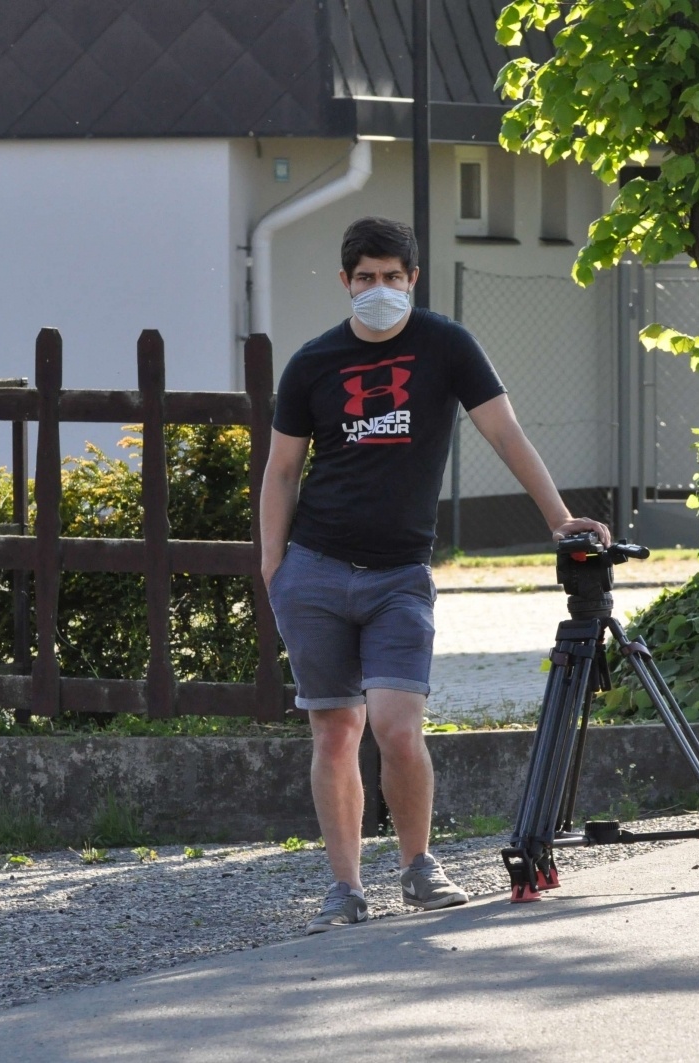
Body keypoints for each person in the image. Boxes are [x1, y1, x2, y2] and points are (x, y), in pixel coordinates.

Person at [259, 216, 612, 933]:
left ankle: (419, 865)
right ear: (345, 283)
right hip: (318, 569)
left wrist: (559, 518)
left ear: (414, 279)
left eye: (393, 276)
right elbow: (283, 469)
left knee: (395, 724)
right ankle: (345, 885)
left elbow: (504, 431)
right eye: (365, 278)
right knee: (333, 732)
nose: (379, 289)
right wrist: (272, 565)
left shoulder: (446, 346)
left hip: (399, 575)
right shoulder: (312, 363)